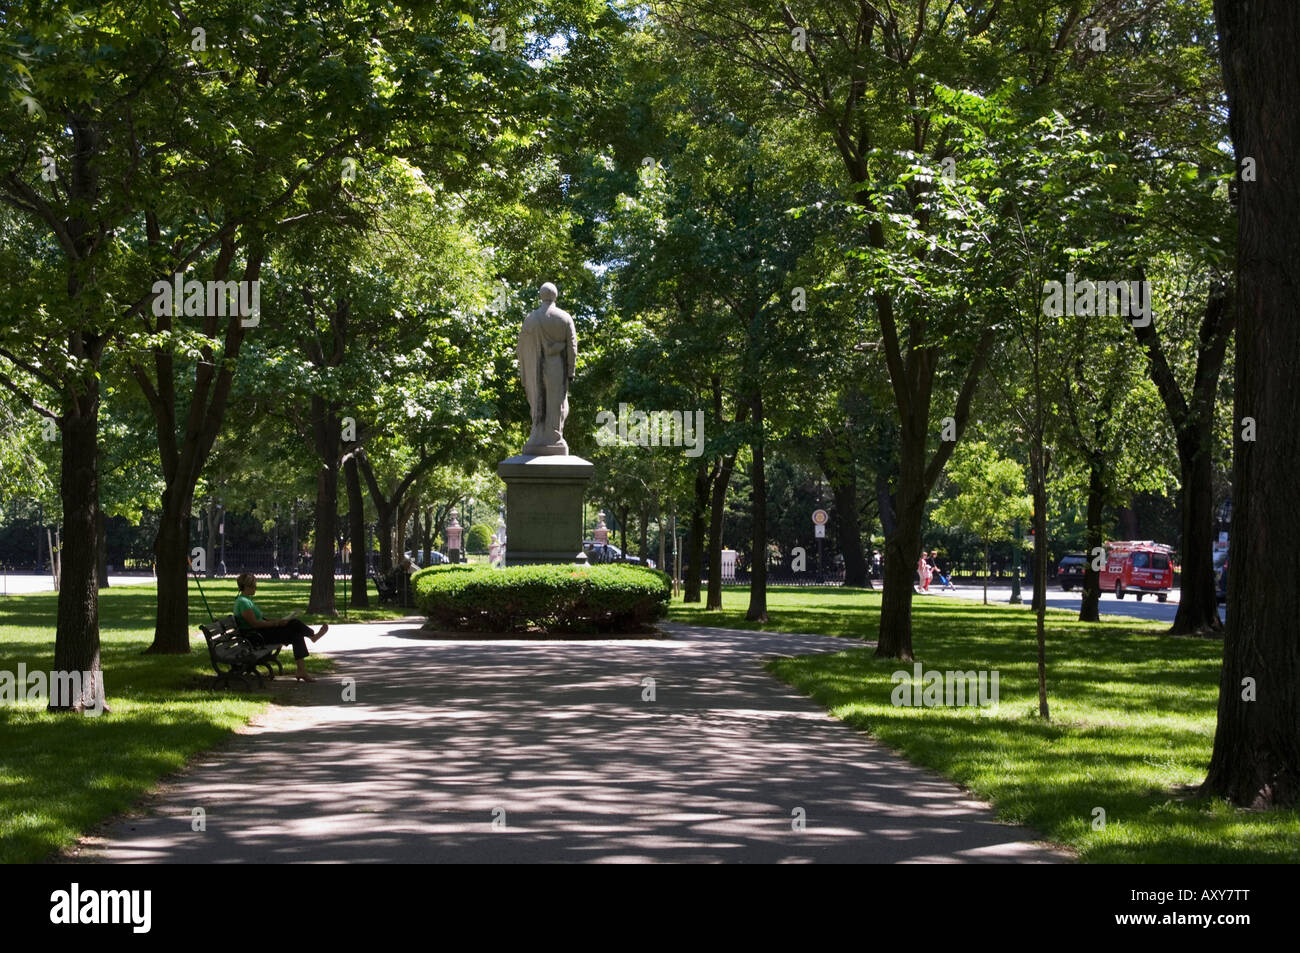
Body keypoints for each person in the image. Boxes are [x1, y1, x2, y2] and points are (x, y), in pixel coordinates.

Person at [233, 572, 328, 682]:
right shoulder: (243, 602)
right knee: (295, 630)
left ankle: (302, 668)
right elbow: (255, 624)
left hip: (261, 633)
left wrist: (278, 621)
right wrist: (276, 623)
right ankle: (311, 641)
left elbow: (261, 620)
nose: (256, 588)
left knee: (294, 626)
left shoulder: (246, 600)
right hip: (256, 637)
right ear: (246, 587)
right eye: (254, 585)